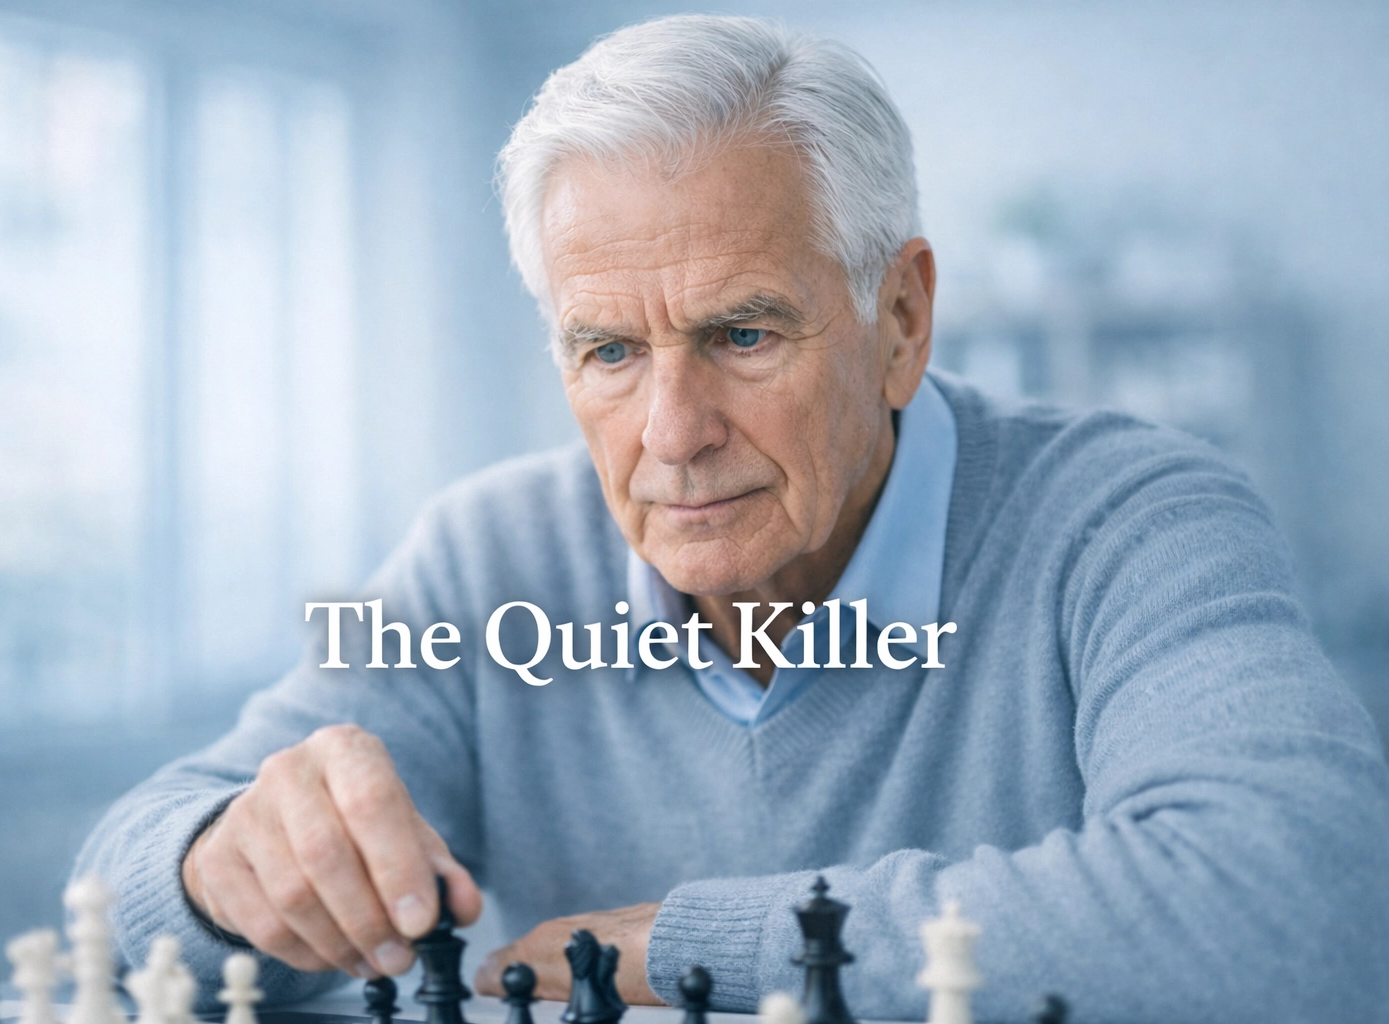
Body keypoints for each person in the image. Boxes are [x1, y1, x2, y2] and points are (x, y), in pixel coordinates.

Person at [75, 15, 1389, 1022]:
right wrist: (220, 866)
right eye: (607, 351)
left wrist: (709, 945)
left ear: (901, 320)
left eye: (743, 335)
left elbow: (1309, 907)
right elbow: (125, 879)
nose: (672, 433)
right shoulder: (486, 561)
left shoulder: (1133, 521)